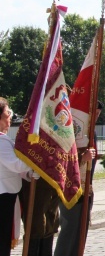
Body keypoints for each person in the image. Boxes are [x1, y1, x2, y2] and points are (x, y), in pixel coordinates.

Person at [54, 102, 102, 256]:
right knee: (70, 229)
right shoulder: (69, 130)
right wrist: (83, 157)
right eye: (94, 113)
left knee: (82, 229)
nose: (96, 117)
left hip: (86, 187)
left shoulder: (91, 132)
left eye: (99, 114)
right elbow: (61, 158)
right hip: (70, 187)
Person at [0, 98, 35, 256]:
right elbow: (18, 165)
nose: (10, 117)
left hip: (7, 195)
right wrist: (35, 159)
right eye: (8, 113)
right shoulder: (0, 141)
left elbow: (18, 169)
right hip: (3, 197)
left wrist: (30, 172)